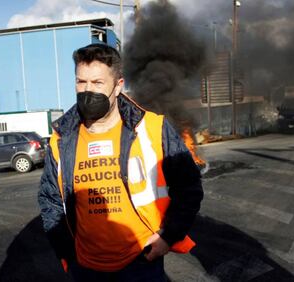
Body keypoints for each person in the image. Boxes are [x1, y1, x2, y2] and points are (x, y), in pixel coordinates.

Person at [38, 43, 203, 281]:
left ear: (118, 86)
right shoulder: (61, 139)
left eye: (97, 83)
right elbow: (50, 199)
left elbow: (189, 187)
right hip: (85, 268)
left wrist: (168, 237)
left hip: (141, 262)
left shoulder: (152, 129)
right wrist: (66, 252)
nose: (87, 91)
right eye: (81, 82)